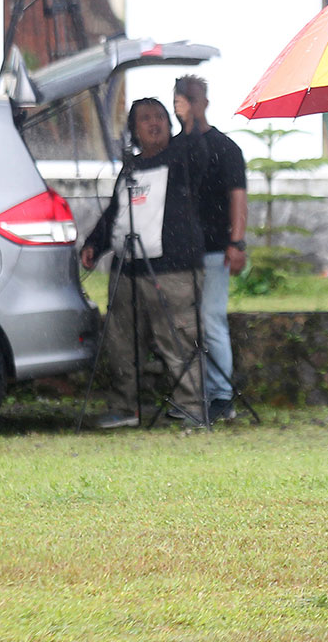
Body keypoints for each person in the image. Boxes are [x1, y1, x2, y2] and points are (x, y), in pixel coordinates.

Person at [81, 98, 207, 428]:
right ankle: (125, 407)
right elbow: (116, 211)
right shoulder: (130, 168)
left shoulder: (182, 157)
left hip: (174, 269)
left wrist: (189, 120)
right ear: (133, 130)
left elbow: (199, 151)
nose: (154, 123)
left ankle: (191, 406)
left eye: (160, 117)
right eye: (146, 118)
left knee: (178, 339)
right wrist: (95, 243)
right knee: (121, 342)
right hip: (127, 269)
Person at [173, 75, 248, 422]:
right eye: (182, 99)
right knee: (185, 322)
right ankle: (196, 393)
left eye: (193, 99)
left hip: (216, 247)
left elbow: (238, 197)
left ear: (204, 102)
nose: (188, 105)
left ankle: (221, 396)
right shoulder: (176, 148)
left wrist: (236, 242)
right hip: (180, 251)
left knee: (211, 318)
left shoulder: (225, 147)